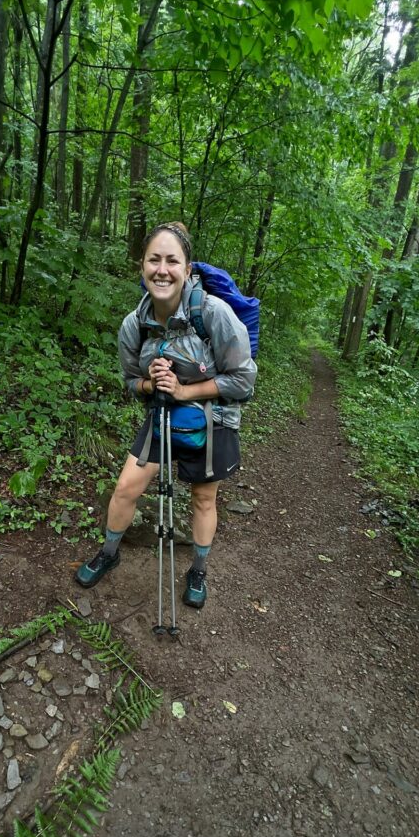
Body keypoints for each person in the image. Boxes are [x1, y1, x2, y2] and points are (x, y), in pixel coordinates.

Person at [75, 222, 257, 608]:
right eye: (154, 259)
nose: (162, 269)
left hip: (214, 420)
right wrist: (150, 385)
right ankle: (109, 552)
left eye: (172, 260)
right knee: (126, 488)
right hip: (162, 415)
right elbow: (129, 380)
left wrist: (183, 390)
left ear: (187, 268)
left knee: (204, 500)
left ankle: (199, 569)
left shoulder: (214, 314)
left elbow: (243, 381)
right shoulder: (134, 324)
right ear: (141, 266)